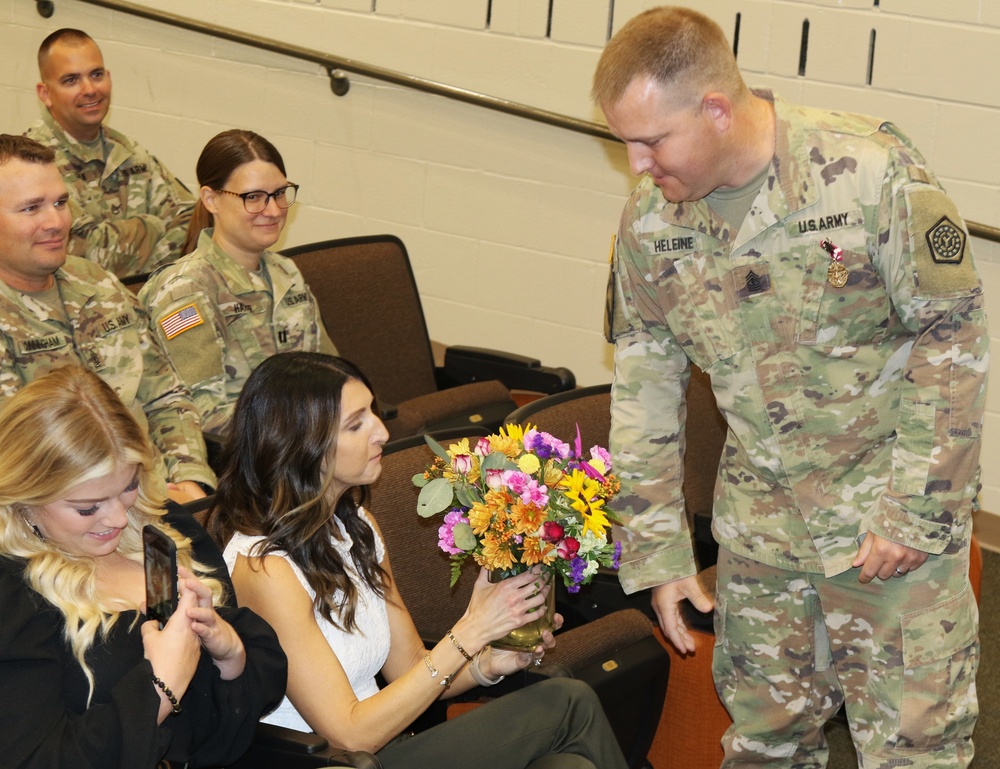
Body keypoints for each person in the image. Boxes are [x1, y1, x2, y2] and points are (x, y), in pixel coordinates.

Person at [594, 7, 985, 769]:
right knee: (764, 748)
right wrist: (657, 550)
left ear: (715, 107)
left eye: (650, 141)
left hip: (887, 532)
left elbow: (953, 334)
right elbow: (644, 381)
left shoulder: (869, 173)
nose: (638, 165)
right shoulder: (651, 219)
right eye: (626, 144)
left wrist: (915, 509)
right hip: (762, 537)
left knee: (915, 752)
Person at [208, 351, 628, 769]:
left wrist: (489, 662)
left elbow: (411, 667)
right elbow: (350, 735)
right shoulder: (264, 569)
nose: (381, 433)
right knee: (568, 701)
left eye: (372, 411)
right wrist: (471, 630)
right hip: (337, 762)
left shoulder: (354, 526)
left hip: (384, 749)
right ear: (302, 448)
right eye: (356, 424)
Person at [0, 365, 286, 769]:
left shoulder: (156, 537)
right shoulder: (12, 594)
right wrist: (160, 687)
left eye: (129, 486)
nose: (118, 518)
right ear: (25, 496)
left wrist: (230, 653)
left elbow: (222, 732)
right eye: (88, 507)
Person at [0, 133, 216, 503]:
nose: (56, 221)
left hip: (161, 495)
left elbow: (165, 393)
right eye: (32, 208)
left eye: (61, 202)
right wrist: (138, 496)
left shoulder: (97, 282)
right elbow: (19, 457)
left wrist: (189, 476)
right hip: (63, 514)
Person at [139, 129, 336, 434]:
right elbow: (202, 417)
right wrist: (302, 435)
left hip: (300, 451)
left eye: (279, 194)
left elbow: (331, 375)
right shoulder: (186, 290)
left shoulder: (286, 273)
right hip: (237, 464)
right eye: (253, 197)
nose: (272, 210)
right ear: (211, 199)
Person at [26, 28, 194, 277]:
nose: (89, 89)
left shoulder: (128, 151)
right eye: (71, 80)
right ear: (45, 93)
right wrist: (155, 226)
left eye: (96, 75)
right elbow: (85, 253)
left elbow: (194, 220)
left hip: (139, 300)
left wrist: (147, 263)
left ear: (109, 78)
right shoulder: (31, 163)